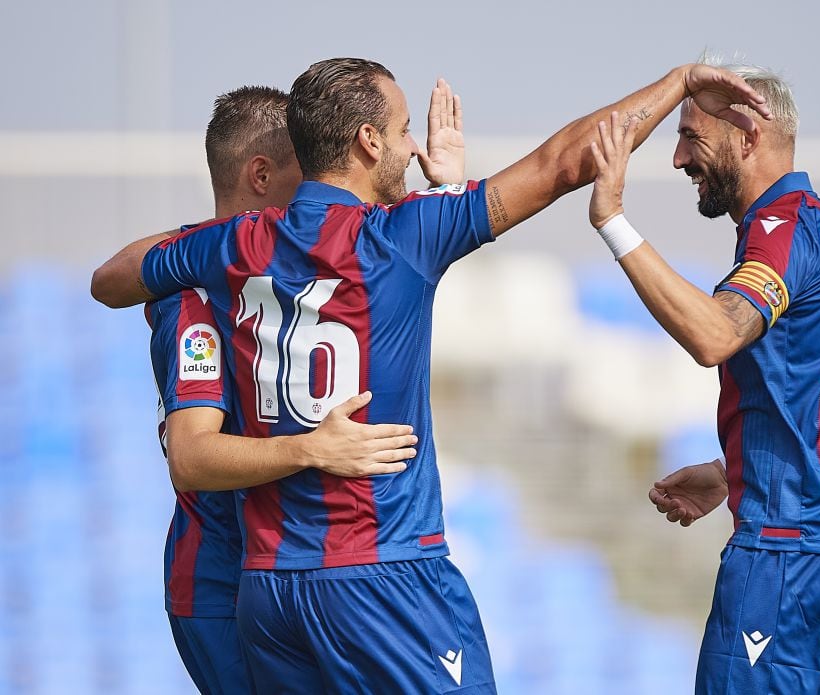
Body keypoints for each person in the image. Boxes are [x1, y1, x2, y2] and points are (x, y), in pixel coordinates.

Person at [91, 57, 771, 693]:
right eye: (403, 129)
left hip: (270, 589)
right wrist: (679, 81)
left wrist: (219, 244)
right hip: (383, 574)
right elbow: (566, 161)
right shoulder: (402, 235)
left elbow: (113, 277)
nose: (413, 146)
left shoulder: (231, 247)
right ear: (366, 141)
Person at [586, 61, 820, 693]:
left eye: (691, 138)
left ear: (748, 136)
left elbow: (714, 334)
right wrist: (734, 472)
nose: (677, 159)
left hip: (790, 559)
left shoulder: (780, 230)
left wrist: (612, 219)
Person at [137, 85, 428, 694]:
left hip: (285, 575)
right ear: (263, 175)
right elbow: (191, 458)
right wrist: (311, 449)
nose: (328, 191)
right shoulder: (196, 301)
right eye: (310, 174)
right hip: (223, 583)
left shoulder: (277, 276)